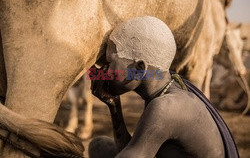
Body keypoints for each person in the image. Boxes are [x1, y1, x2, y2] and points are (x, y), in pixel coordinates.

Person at [88, 16, 239, 158]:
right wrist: (114, 106)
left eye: (109, 63)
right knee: (99, 146)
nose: (103, 72)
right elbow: (133, 150)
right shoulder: (165, 91)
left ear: (139, 70)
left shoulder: (165, 107)